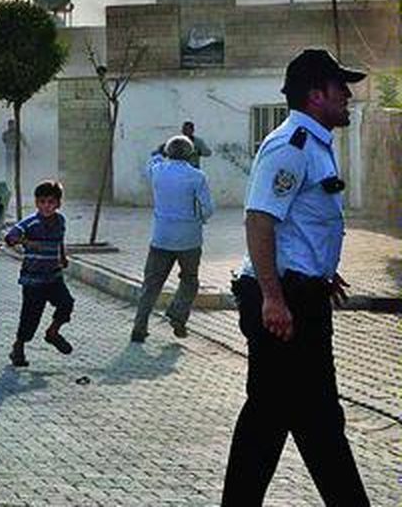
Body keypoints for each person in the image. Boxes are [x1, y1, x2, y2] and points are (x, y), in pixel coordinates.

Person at [221, 49, 369, 506]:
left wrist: (323, 273)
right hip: (284, 305)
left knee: (284, 419)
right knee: (304, 418)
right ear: (315, 95)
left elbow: (300, 226)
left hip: (301, 296)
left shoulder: (316, 145)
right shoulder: (292, 147)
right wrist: (273, 297)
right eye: (339, 87)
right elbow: (260, 220)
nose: (347, 95)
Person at [131, 135, 214, 342]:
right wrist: (199, 219)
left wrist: (159, 151)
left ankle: (139, 327)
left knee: (151, 283)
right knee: (189, 280)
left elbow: (151, 161)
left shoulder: (158, 171)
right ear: (190, 153)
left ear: (168, 152)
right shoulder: (197, 176)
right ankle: (178, 314)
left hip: (161, 237)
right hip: (189, 239)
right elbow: (208, 209)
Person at [4, 180, 73, 367]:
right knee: (30, 316)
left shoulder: (60, 221)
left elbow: (60, 240)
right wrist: (26, 242)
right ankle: (18, 347)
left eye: (51, 202)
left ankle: (52, 333)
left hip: (53, 276)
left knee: (66, 303)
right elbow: (10, 237)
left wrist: (63, 257)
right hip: (33, 279)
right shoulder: (30, 222)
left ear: (58, 203)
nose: (46, 206)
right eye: (42, 202)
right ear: (36, 203)